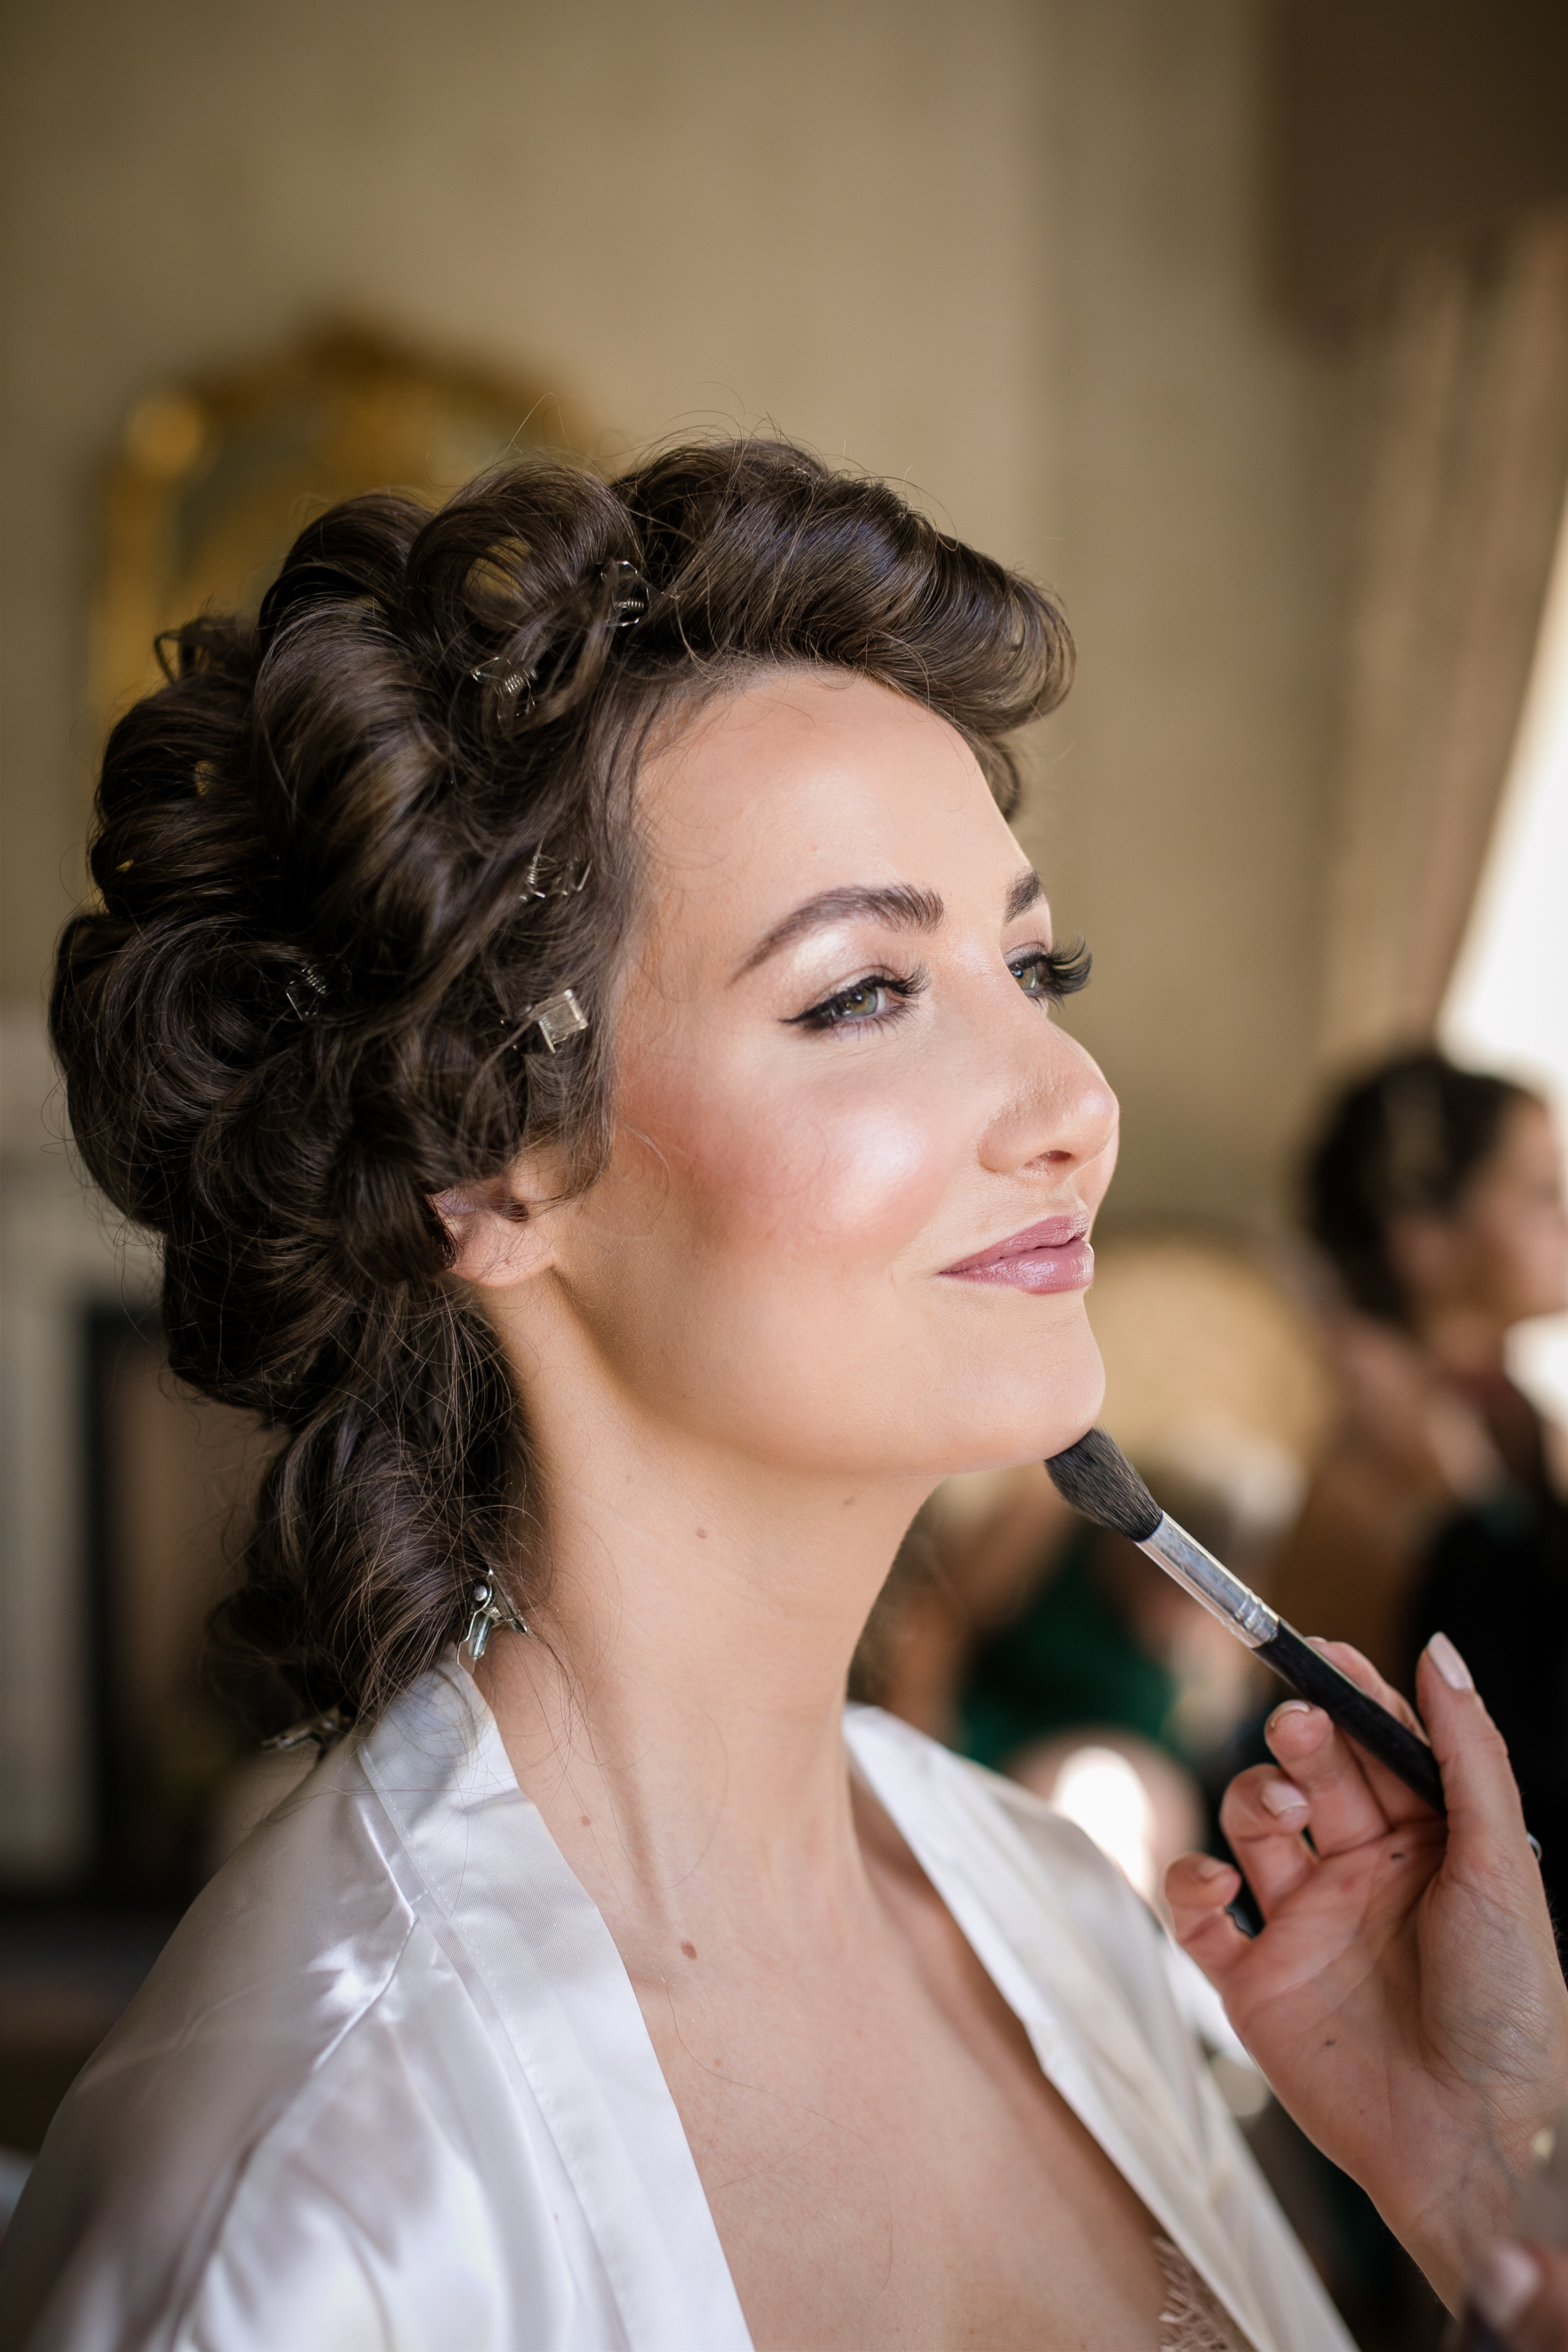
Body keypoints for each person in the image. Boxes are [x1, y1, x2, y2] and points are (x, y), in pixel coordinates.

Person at [2, 441, 1563, 2352]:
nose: (1080, 1108)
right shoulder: (318, 2213)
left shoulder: (1062, 1927)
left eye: (1030, 965)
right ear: (490, 1170)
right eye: (862, 995)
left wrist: (1491, 2185)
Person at [1274, 1051, 1568, 1686]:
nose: (1566, 1221)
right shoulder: (1339, 1432)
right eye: (1543, 1193)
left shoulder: (1524, 1425)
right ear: (1424, 1235)